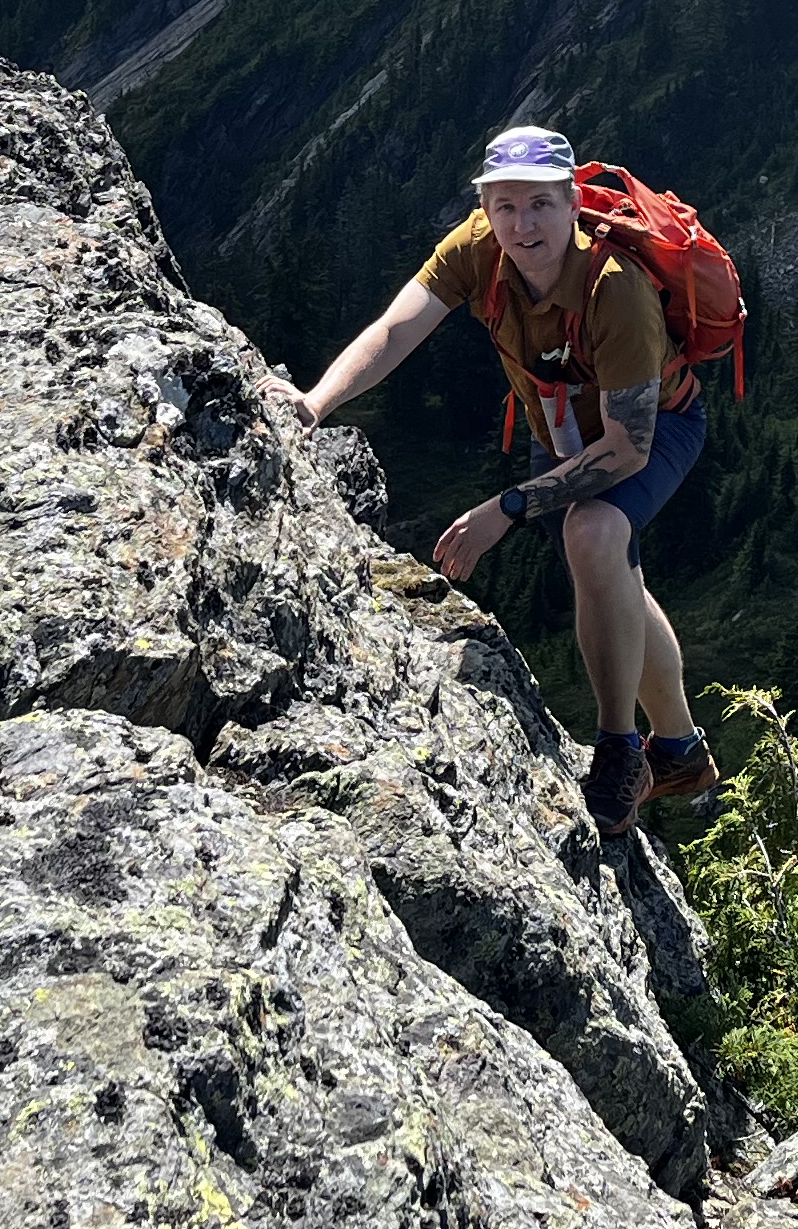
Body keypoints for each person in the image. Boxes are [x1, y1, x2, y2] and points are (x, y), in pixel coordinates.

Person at [298, 126, 719, 836]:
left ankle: (621, 750)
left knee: (593, 533)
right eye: (506, 207)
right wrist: (315, 403)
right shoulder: (477, 250)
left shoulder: (614, 288)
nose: (524, 226)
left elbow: (628, 448)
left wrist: (508, 506)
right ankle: (679, 751)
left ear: (572, 202)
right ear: (485, 210)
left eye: (541, 205)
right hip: (563, 430)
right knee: (611, 573)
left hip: (654, 426)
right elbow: (397, 329)